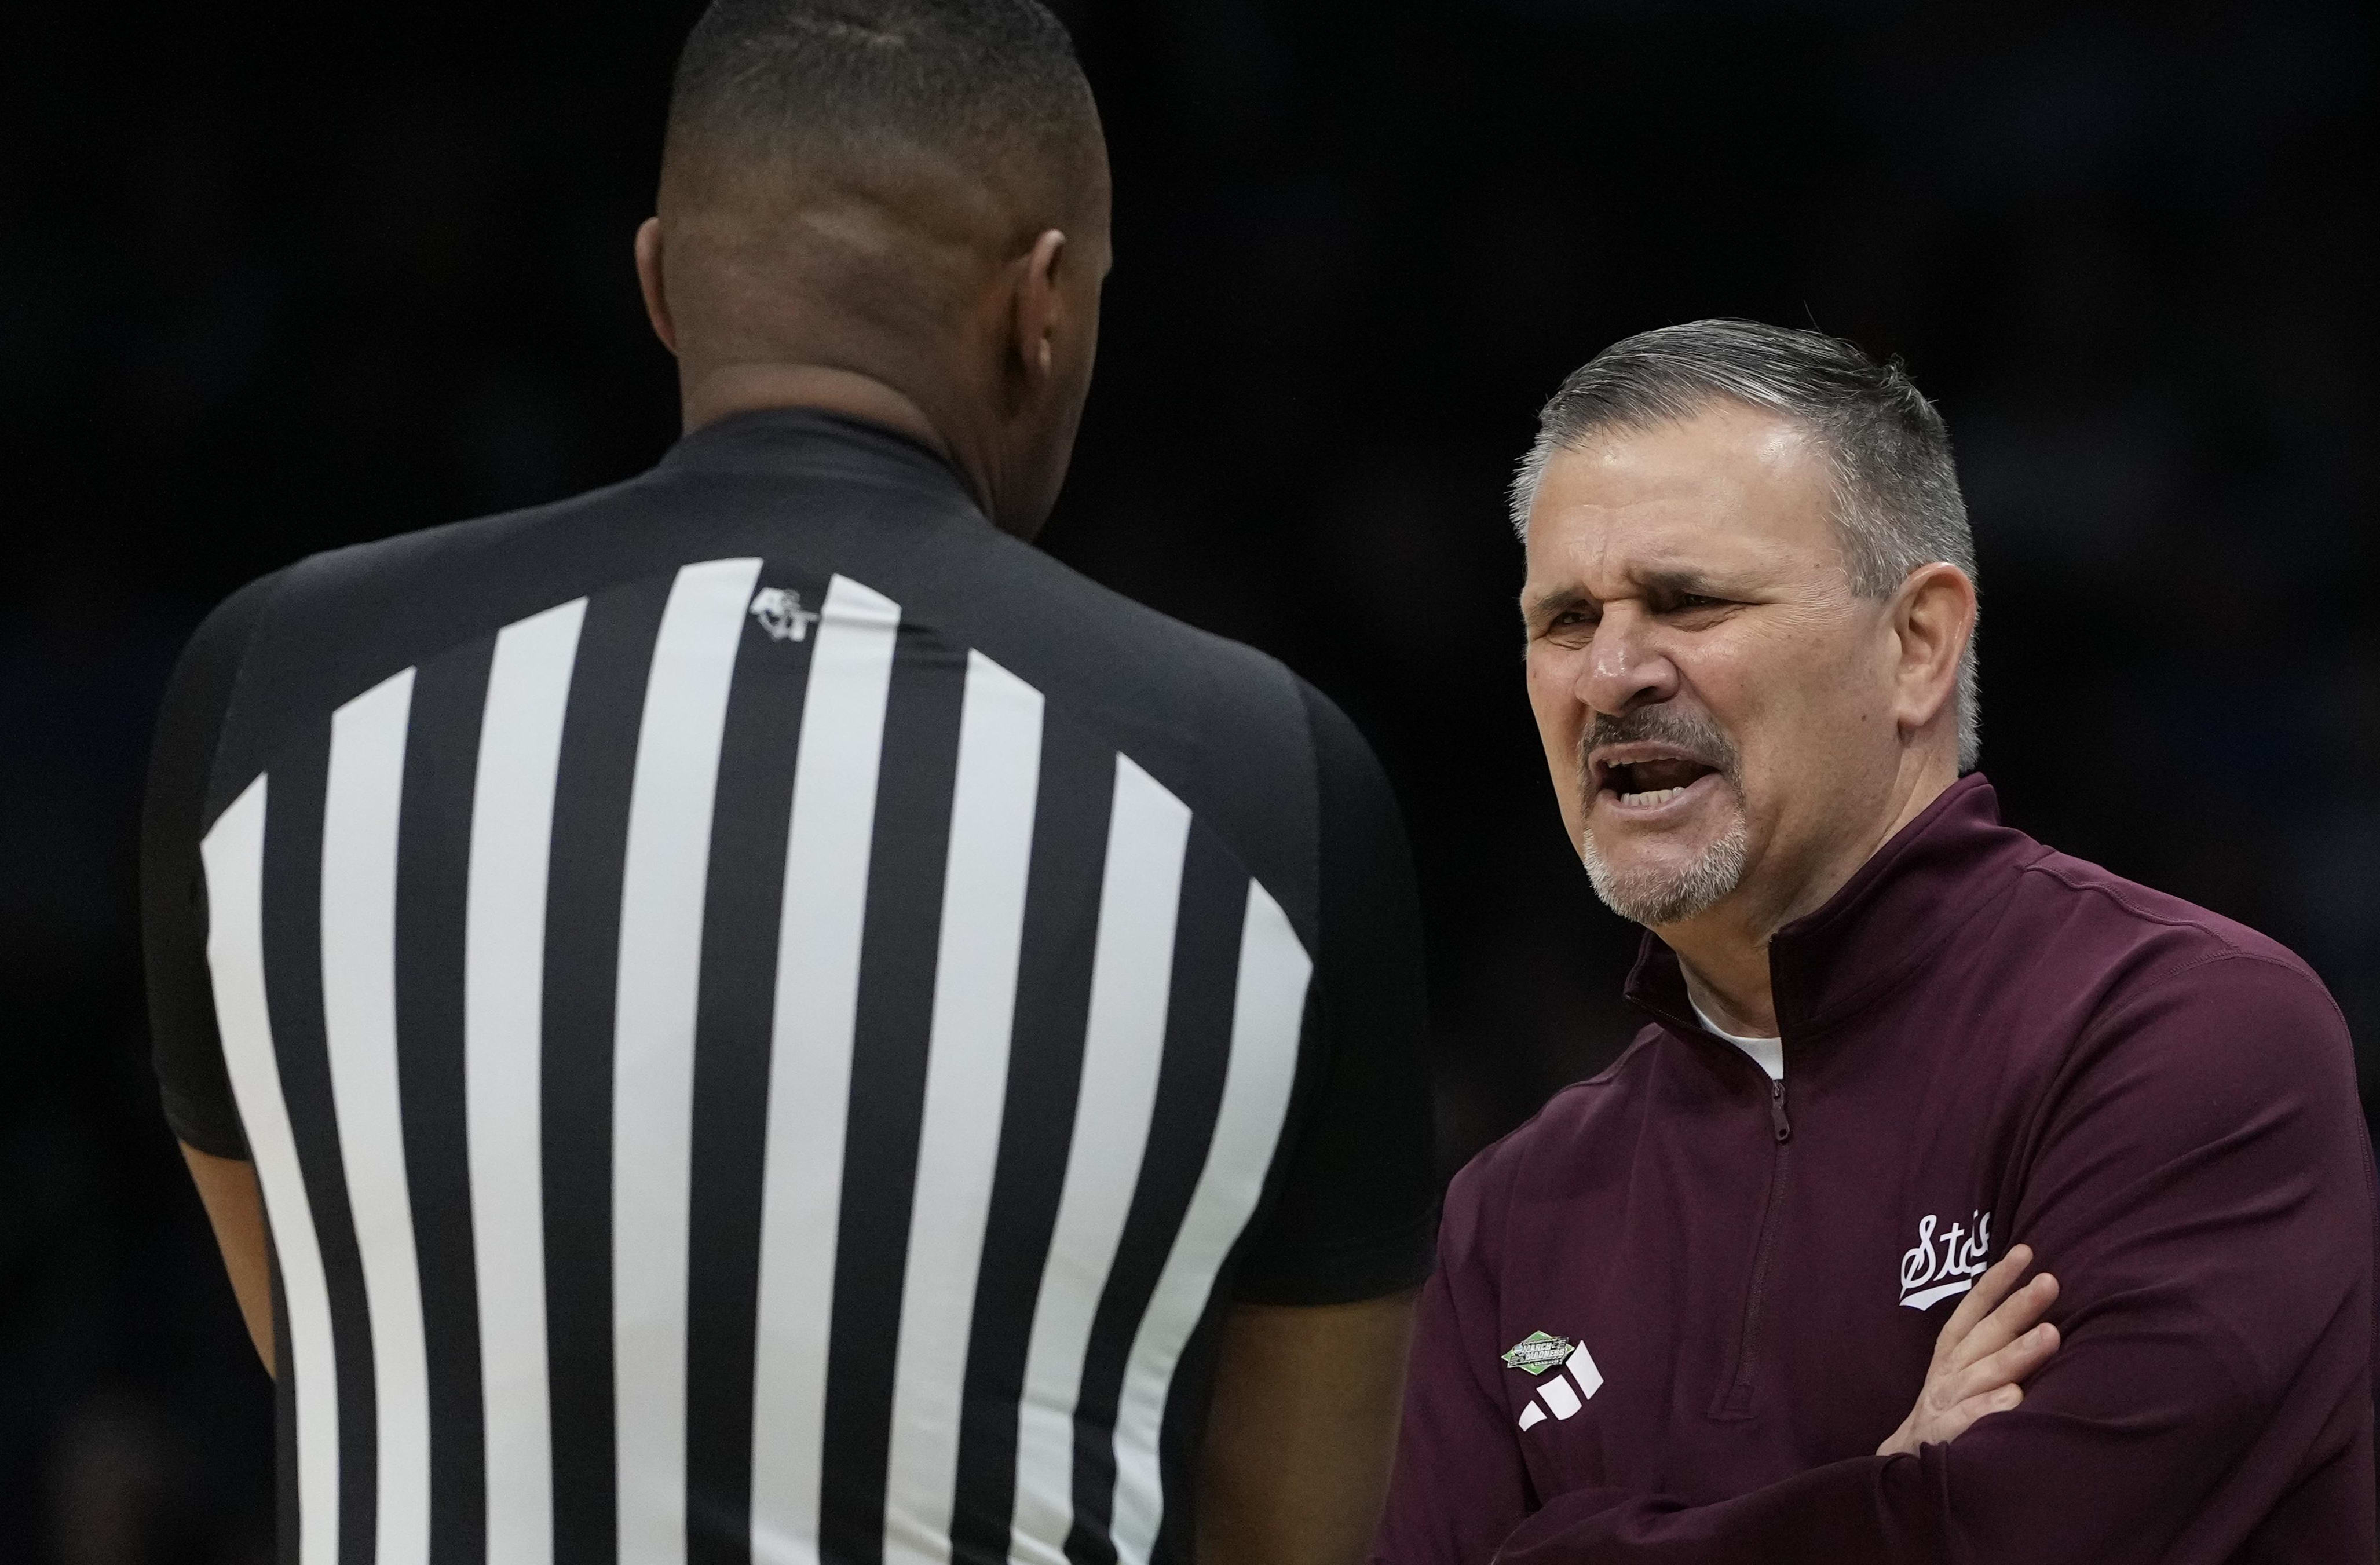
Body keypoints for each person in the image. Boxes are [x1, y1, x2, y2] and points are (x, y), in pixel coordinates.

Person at [137, 5, 1434, 1564]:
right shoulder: (1272, 783)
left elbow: (340, 1325)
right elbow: (1285, 1525)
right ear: (1041, 308)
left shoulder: (275, 691)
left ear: (661, 285)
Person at [1372, 320, 2380, 1564]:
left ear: (1916, 645)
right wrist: (1890, 1490)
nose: (1613, 672)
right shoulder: (1510, 1212)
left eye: (1686, 600)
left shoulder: (2183, 1033)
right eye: (1565, 619)